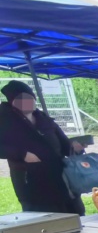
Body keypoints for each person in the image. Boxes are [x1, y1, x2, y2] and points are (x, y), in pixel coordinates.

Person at [0, 80, 85, 215]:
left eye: (29, 98)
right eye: (21, 99)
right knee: (44, 218)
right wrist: (22, 154)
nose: (27, 102)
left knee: (74, 214)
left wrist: (75, 147)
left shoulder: (43, 118)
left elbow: (63, 143)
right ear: (12, 102)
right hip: (31, 180)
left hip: (61, 177)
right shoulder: (4, 120)